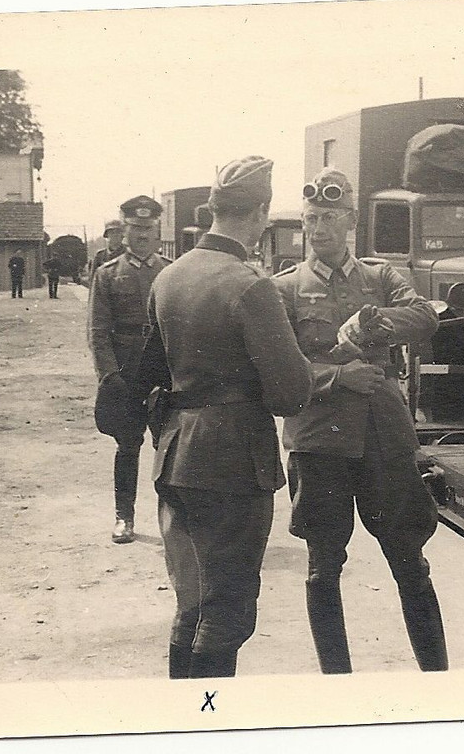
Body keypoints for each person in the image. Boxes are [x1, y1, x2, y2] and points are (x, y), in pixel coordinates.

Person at [273, 167, 448, 674]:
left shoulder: (381, 277)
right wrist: (335, 376)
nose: (320, 227)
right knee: (323, 568)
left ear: (350, 220)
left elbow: (425, 316)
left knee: (409, 562)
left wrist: (370, 326)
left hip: (382, 439)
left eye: (330, 217)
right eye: (311, 218)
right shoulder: (284, 289)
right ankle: (339, 687)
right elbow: (279, 367)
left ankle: (438, 682)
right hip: (318, 443)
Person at [148, 156, 312, 679]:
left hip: (175, 456)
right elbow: (290, 393)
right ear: (260, 214)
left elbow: (146, 375)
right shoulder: (250, 286)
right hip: (232, 463)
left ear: (213, 209)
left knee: (191, 603)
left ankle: (181, 721)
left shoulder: (168, 278)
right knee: (225, 614)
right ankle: (208, 721)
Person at [88, 195, 172, 544]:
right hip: (127, 373)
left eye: (148, 229)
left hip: (164, 372)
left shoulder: (170, 271)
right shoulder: (108, 274)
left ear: (157, 231)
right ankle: (125, 517)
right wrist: (110, 376)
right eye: (135, 228)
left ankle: (174, 520)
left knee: (170, 447)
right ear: (124, 232)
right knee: (127, 446)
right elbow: (97, 331)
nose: (142, 235)